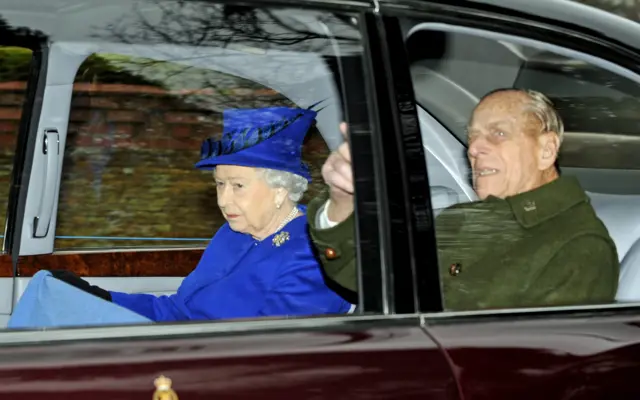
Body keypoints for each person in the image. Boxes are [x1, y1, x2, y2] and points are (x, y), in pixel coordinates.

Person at [308, 88, 619, 310]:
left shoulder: (580, 245)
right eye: (472, 137)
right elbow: (369, 279)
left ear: (547, 150)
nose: (474, 149)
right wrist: (343, 199)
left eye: (497, 134)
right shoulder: (463, 219)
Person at [50, 104, 353, 322]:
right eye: (219, 184)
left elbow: (272, 350)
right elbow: (176, 311)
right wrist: (99, 297)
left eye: (237, 185)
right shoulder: (231, 234)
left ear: (280, 190)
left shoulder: (312, 251)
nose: (223, 199)